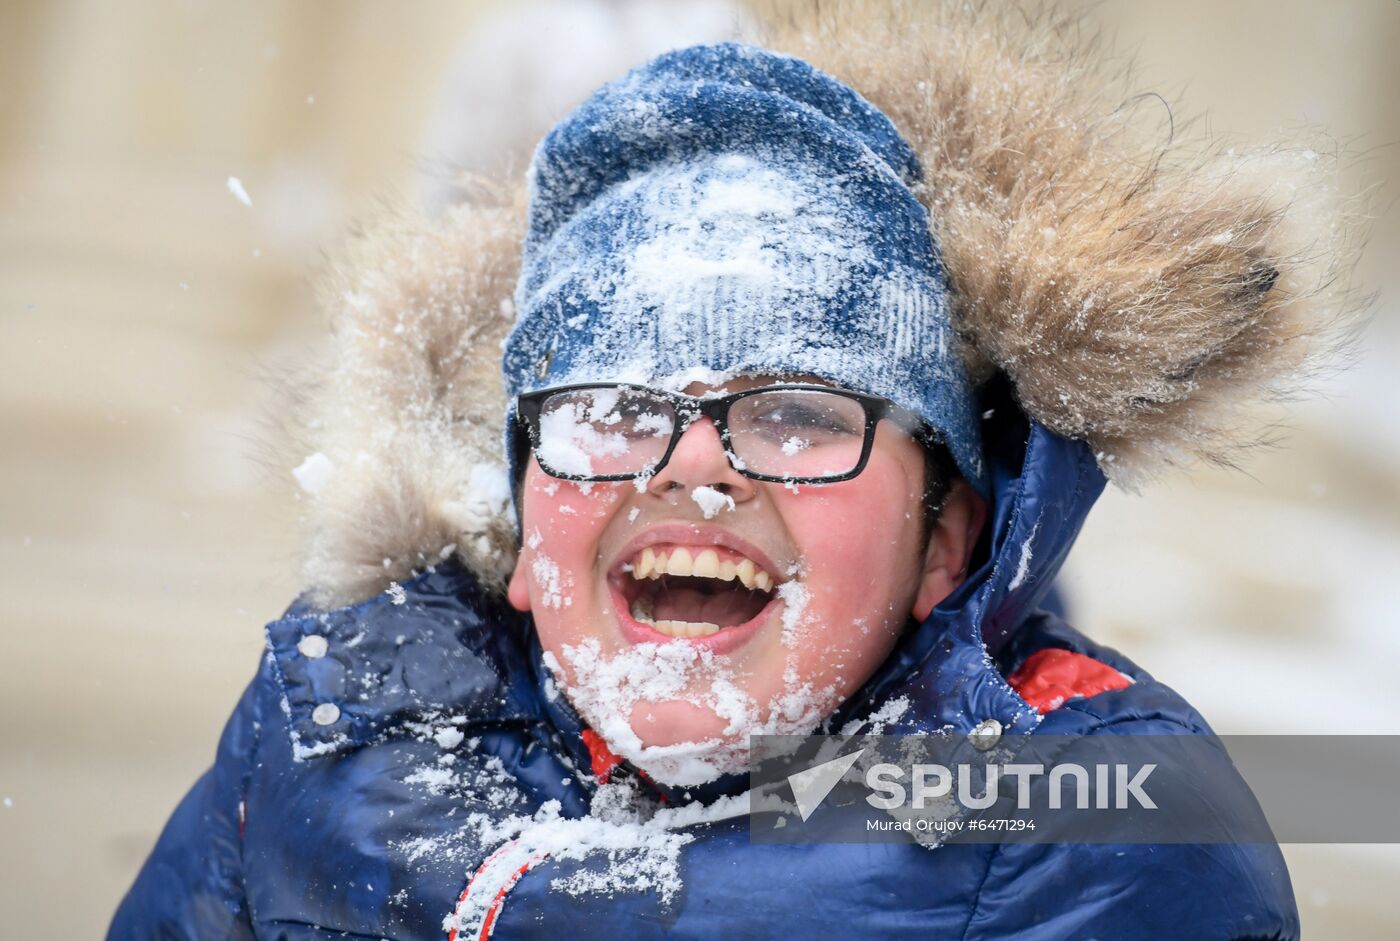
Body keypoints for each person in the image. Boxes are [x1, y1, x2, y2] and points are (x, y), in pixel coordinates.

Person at [110, 5, 1357, 939]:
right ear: (523, 514)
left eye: (798, 411)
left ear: (943, 538)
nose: (695, 465)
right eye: (612, 404)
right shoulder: (332, 732)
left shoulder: (1098, 842)